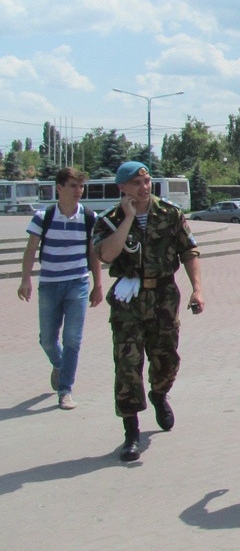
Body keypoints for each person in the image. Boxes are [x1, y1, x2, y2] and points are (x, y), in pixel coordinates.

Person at [94, 161, 205, 462]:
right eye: (136, 183)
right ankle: (131, 432)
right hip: (128, 298)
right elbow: (106, 254)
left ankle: (159, 393)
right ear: (122, 188)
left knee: (166, 357)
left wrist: (197, 288)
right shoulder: (109, 219)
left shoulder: (169, 213)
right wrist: (128, 219)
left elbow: (188, 251)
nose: (144, 188)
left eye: (146, 181)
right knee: (127, 364)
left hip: (164, 296)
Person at [18, 167, 105, 410]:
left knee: (73, 340)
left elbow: (93, 253)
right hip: (49, 284)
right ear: (59, 188)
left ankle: (65, 390)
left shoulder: (89, 218)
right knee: (47, 339)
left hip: (77, 283)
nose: (79, 191)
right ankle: (59, 365)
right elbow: (30, 250)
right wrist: (26, 280)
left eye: (81, 186)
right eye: (73, 186)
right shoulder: (43, 217)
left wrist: (98, 285)